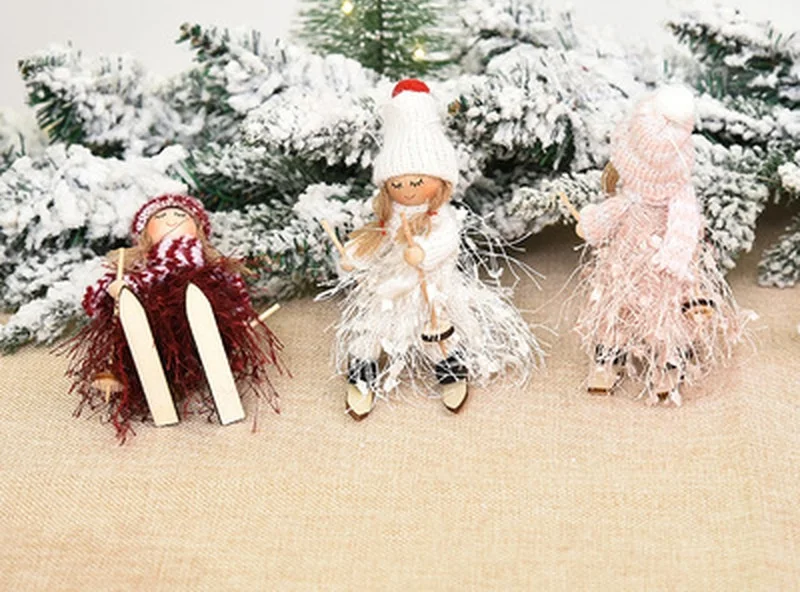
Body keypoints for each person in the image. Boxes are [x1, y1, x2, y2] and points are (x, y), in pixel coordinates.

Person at [332, 79, 542, 419]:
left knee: (435, 331)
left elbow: (447, 241)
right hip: (389, 286)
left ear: (440, 181)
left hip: (429, 288)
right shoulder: (388, 218)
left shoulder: (439, 218)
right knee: (370, 329)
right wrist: (353, 257)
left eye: (417, 182)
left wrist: (424, 254)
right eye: (397, 183)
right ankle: (361, 372)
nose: (407, 190)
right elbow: (373, 241)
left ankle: (450, 369)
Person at [572, 86, 751, 404]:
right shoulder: (640, 201)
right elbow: (605, 218)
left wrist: (587, 224)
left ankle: (667, 359)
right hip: (631, 266)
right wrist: (591, 224)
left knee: (658, 312)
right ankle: (612, 355)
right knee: (624, 308)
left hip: (652, 268)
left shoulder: (672, 202)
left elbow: (602, 222)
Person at [67, 193, 282, 439]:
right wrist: (115, 289)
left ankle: (216, 368)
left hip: (201, 316)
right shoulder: (144, 270)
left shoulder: (211, 268)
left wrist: (240, 321)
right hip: (158, 324)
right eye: (161, 216)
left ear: (199, 229)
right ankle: (153, 379)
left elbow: (234, 291)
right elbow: (100, 295)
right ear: (145, 234)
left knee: (207, 315)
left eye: (180, 215)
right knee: (147, 324)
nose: (171, 220)